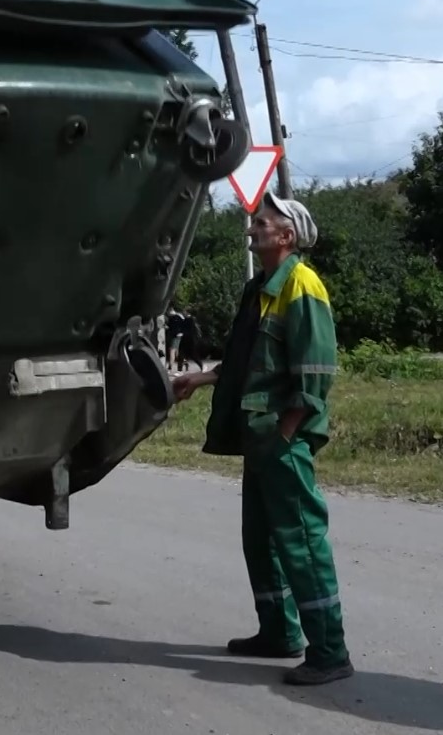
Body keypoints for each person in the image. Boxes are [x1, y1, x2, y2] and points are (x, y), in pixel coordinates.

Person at [172, 193, 353, 686]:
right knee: (262, 540)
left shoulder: (302, 284)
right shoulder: (260, 287)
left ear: (286, 235)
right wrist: (201, 379)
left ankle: (330, 652)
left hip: (281, 439)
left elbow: (315, 371)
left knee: (300, 541)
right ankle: (279, 632)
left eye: (263, 221)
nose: (253, 226)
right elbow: (247, 359)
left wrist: (288, 430)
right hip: (261, 437)